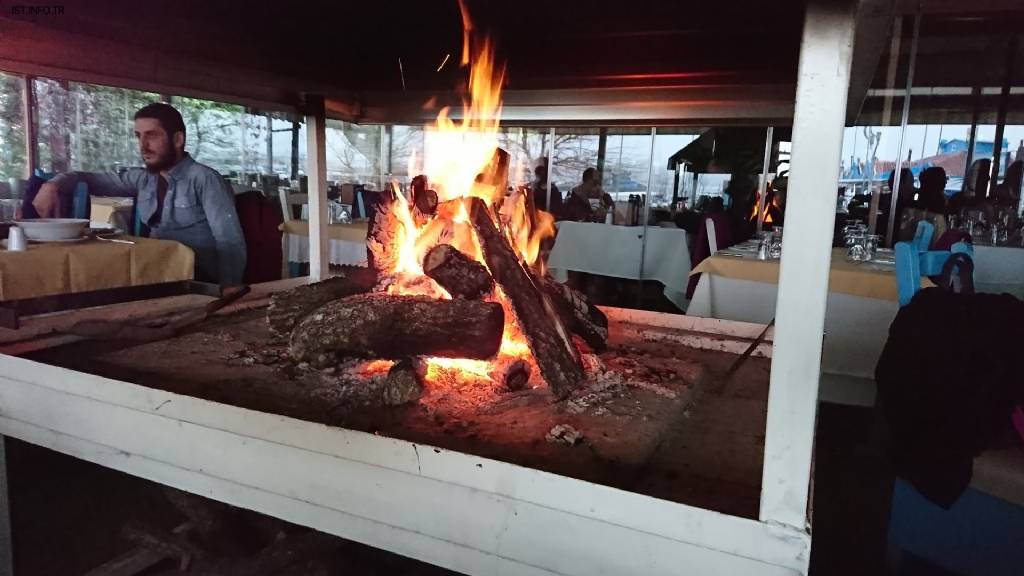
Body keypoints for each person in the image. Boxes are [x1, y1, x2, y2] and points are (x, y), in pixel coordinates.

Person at [33, 103, 247, 285]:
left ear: (178, 139)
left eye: (152, 135)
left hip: (198, 279)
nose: (143, 146)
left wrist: (227, 290)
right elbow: (90, 179)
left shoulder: (205, 179)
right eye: (139, 136)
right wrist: (52, 185)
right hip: (157, 273)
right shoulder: (144, 179)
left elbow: (230, 242)